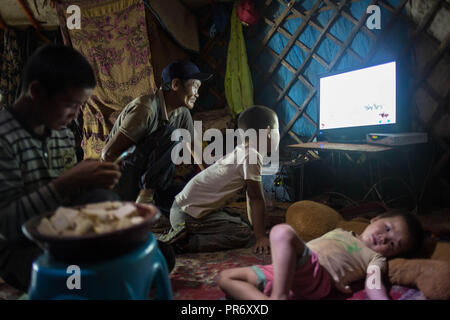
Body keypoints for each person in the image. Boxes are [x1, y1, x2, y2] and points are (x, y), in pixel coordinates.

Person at [0, 44, 123, 291]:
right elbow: (6, 226)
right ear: (36, 91)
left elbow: (70, 203)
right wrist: (66, 184)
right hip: (19, 248)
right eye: (70, 104)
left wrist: (89, 180)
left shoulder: (62, 135)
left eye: (80, 106)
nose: (75, 115)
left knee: (104, 198)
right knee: (79, 281)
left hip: (61, 234)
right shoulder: (4, 138)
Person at [217, 210, 425, 300]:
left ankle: (278, 297)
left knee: (281, 232)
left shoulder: (375, 258)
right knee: (226, 278)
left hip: (316, 274)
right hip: (285, 273)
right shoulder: (341, 232)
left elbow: (374, 283)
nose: (384, 239)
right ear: (375, 219)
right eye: (387, 229)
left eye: (393, 244)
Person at [159, 105, 280, 255]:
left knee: (241, 220)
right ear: (268, 132)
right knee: (241, 231)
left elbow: (251, 197)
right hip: (187, 215)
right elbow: (256, 198)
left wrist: (255, 228)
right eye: (278, 131)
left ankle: (182, 231)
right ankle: (184, 244)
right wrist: (260, 237)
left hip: (183, 208)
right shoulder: (252, 156)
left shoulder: (243, 151)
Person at [101, 60, 212, 204]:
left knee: (190, 197)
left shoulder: (182, 113)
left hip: (149, 183)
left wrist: (214, 182)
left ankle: (150, 198)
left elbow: (197, 152)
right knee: (172, 134)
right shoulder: (145, 109)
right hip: (124, 180)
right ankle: (144, 201)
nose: (197, 94)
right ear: (176, 84)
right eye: (195, 86)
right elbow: (107, 154)